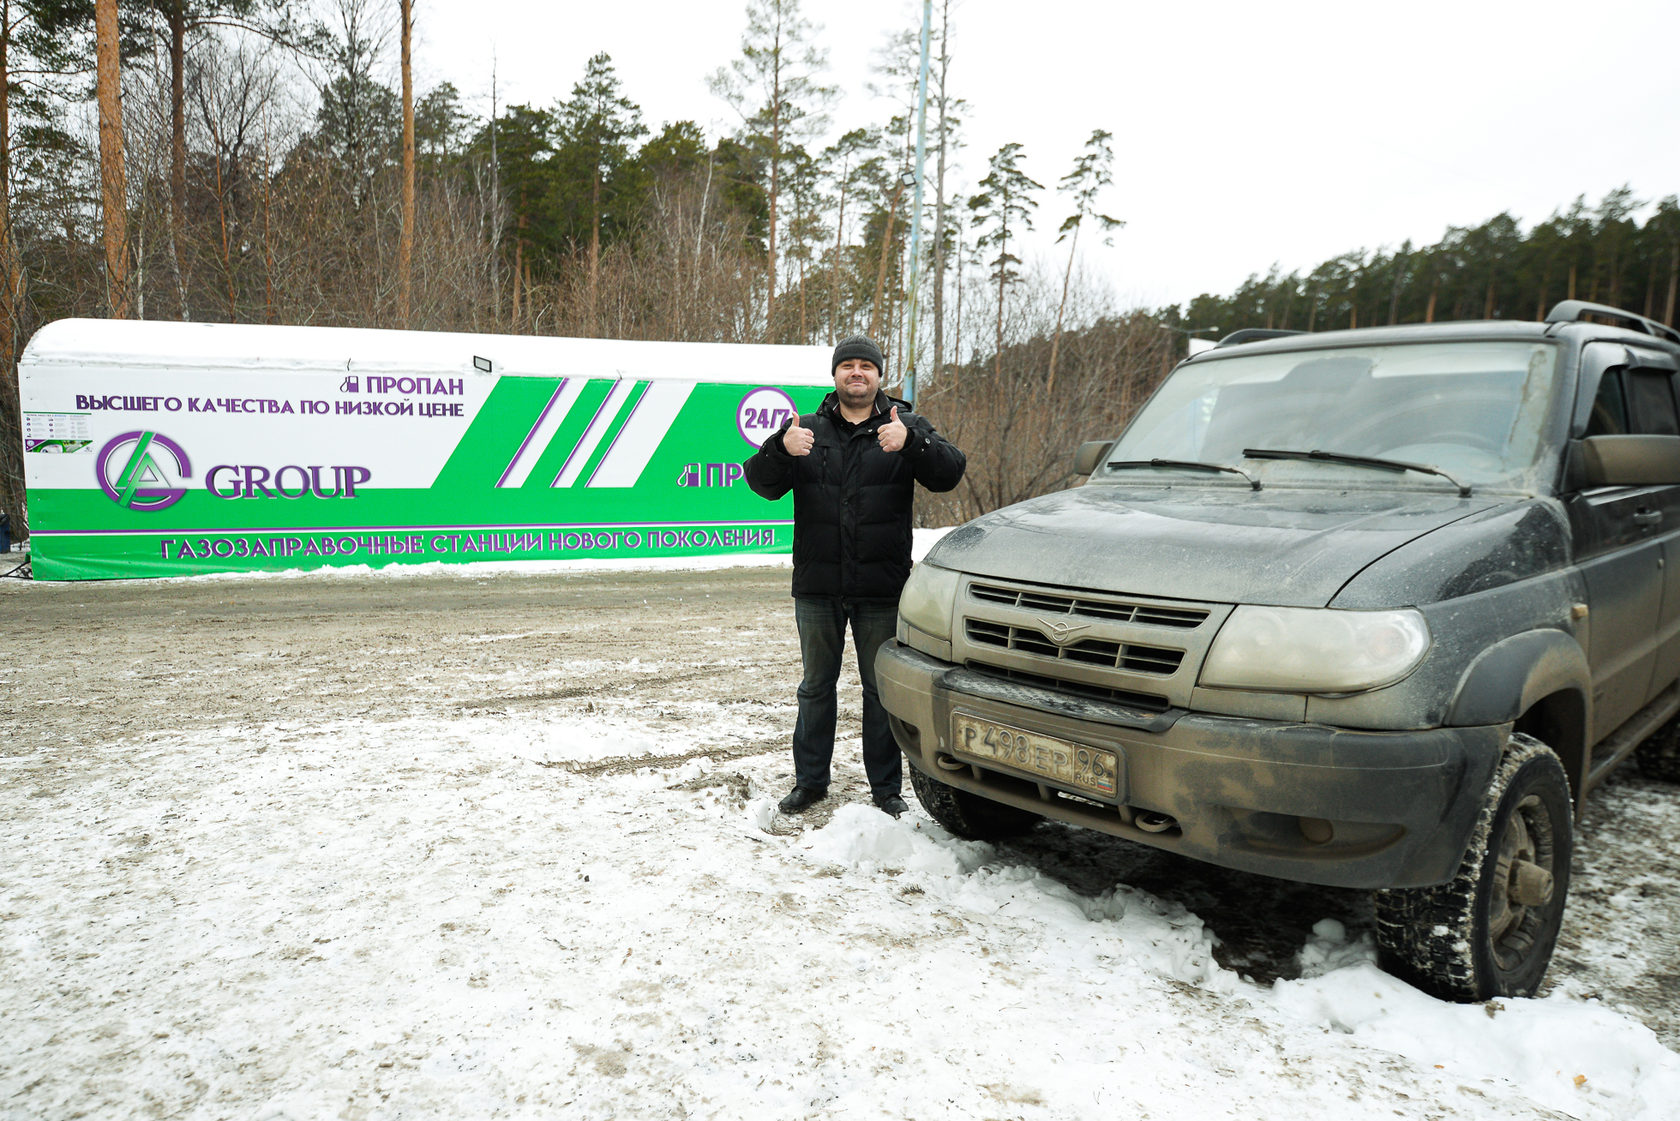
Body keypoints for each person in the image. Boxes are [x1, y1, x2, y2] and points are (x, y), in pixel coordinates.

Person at [744, 335, 966, 817]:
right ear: (835, 375)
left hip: (881, 588)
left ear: (880, 376)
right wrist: (782, 449)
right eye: (848, 365)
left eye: (867, 365)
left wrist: (914, 444)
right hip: (818, 587)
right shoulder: (805, 428)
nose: (857, 373)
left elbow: (950, 472)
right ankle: (810, 783)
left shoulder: (903, 424)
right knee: (815, 688)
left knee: (880, 691)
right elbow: (760, 483)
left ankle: (886, 790)